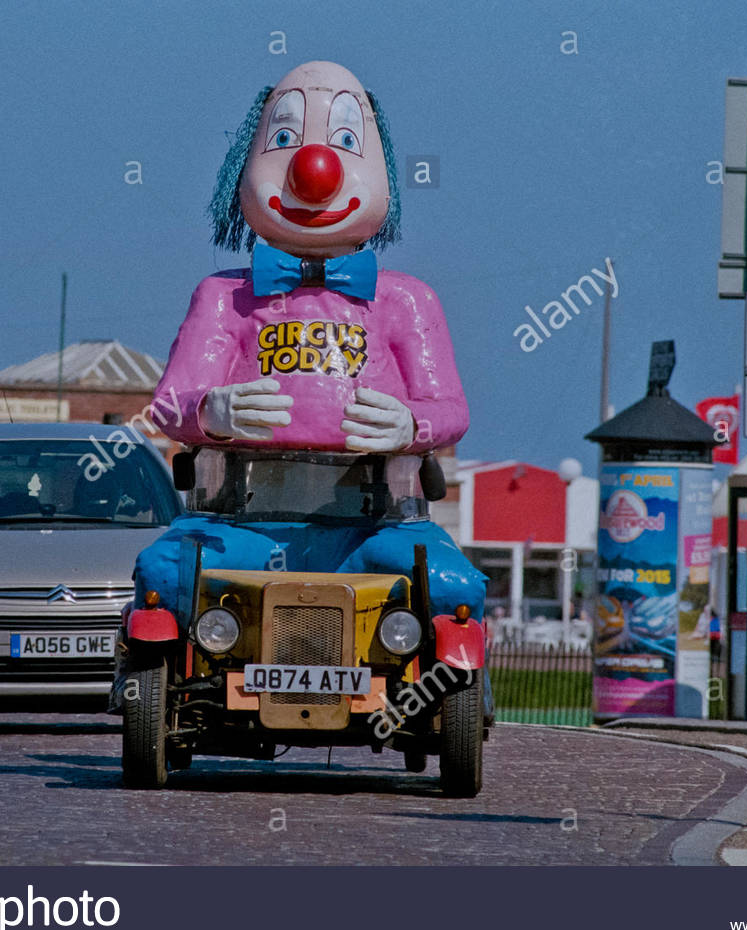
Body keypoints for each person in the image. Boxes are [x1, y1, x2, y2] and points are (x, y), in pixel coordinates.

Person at [134, 61, 486, 621]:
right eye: (283, 140)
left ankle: (461, 695)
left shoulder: (406, 300)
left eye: (346, 141)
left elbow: (451, 409)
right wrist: (211, 410)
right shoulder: (223, 296)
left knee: (450, 587)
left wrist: (410, 426)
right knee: (166, 576)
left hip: (376, 521)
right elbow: (167, 405)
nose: (314, 170)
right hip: (237, 519)